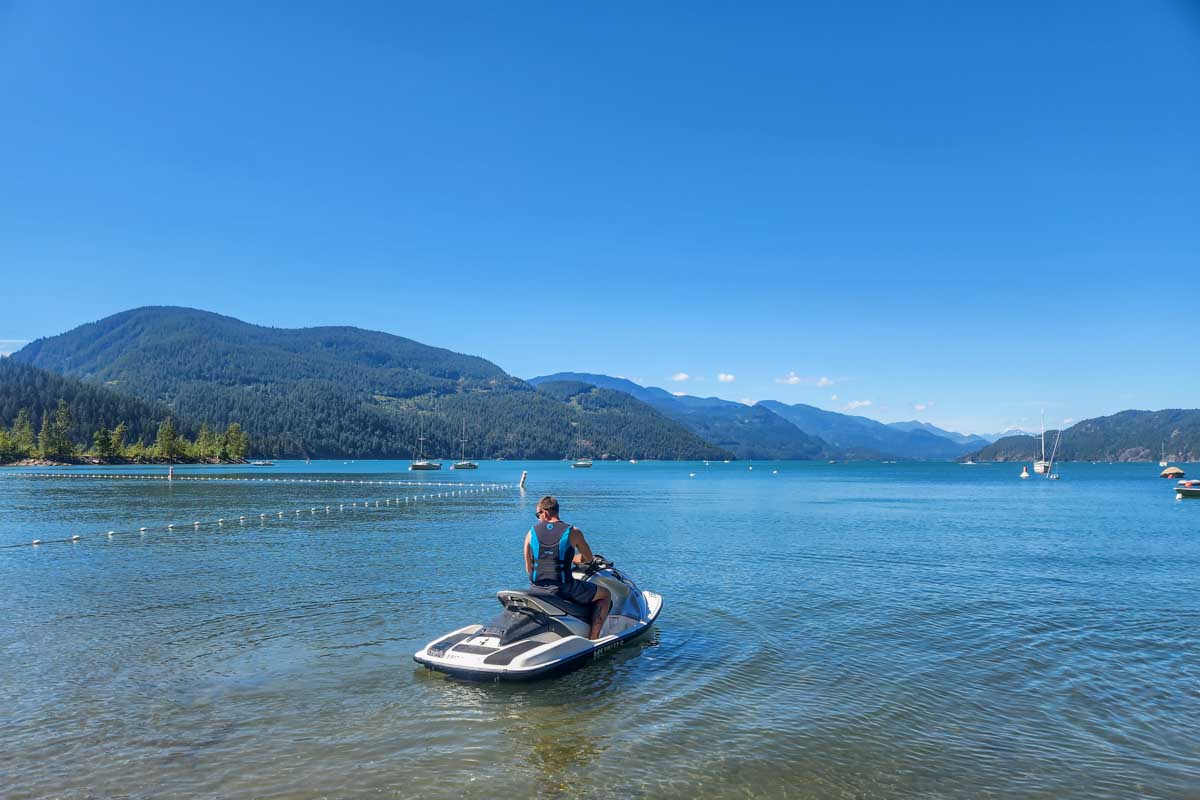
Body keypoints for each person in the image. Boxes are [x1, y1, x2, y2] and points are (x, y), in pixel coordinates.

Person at [524, 495, 611, 639]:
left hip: (536, 587)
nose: (538, 519)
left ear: (545, 512)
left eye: (537, 515)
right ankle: (594, 639)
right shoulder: (573, 532)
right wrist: (574, 559)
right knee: (606, 594)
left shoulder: (530, 533)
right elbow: (588, 558)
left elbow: (529, 568)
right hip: (564, 588)